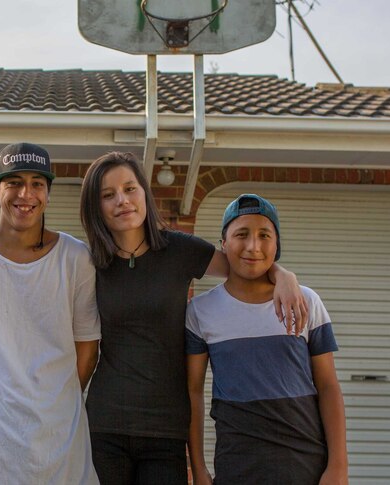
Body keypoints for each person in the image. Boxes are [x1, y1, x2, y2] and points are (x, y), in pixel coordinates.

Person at [79, 152, 307, 485]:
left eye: (130, 189)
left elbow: (244, 262)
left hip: (166, 429)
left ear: (144, 193)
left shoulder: (178, 250)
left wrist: (284, 274)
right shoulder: (90, 262)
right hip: (105, 424)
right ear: (95, 206)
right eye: (108, 195)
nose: (122, 201)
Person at [0, 142, 101, 484]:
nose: (25, 194)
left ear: (48, 193)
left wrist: (51, 398)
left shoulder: (76, 259)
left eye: (37, 183)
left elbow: (87, 350)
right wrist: (0, 397)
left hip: (60, 439)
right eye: (13, 182)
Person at [186, 194, 348, 485]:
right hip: (237, 464)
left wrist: (338, 467)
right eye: (241, 234)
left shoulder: (306, 301)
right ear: (224, 244)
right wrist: (198, 469)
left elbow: (328, 386)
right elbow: (192, 391)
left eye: (264, 235)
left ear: (277, 245)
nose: (253, 246)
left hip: (305, 464)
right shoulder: (200, 311)